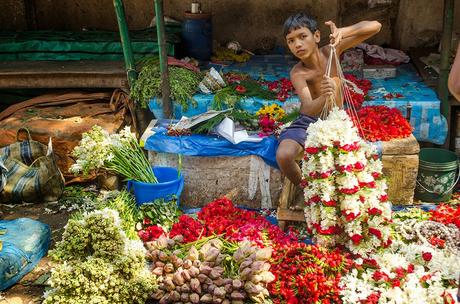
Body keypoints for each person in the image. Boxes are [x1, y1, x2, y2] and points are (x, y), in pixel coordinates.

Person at [276, 13, 382, 185]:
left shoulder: (332, 50)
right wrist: (326, 95)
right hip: (309, 122)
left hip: (335, 120)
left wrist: (343, 31)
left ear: (317, 36)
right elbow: (307, 109)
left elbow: (375, 25)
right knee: (284, 155)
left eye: (303, 36)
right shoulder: (298, 72)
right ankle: (308, 191)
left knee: (351, 160)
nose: (298, 44)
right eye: (291, 40)